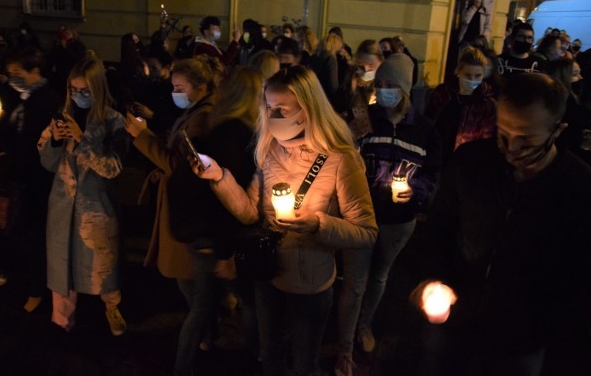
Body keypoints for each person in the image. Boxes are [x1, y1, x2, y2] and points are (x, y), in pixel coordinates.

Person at [193, 66, 378, 376]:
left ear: (308, 109)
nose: (271, 114)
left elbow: (366, 232)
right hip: (269, 276)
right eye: (268, 106)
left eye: (282, 108)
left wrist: (319, 224)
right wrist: (220, 177)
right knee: (271, 356)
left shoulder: (340, 159)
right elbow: (251, 212)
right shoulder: (271, 152)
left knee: (305, 362)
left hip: (312, 286)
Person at [415, 73, 591, 375]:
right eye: (504, 133)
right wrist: (432, 279)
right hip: (453, 325)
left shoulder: (579, 188)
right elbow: (438, 231)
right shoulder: (470, 163)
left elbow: (579, 280)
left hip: (520, 343)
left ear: (557, 130)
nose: (510, 149)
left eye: (526, 140)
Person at [347, 53, 441, 365]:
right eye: (381, 84)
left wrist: (417, 191)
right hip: (362, 215)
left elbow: (432, 173)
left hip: (400, 221)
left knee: (379, 276)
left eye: (391, 85)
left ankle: (364, 324)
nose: (384, 90)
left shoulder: (426, 129)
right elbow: (344, 155)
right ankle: (345, 340)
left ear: (405, 88)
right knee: (356, 280)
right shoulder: (365, 117)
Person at [173, 66, 262, 376]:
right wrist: (225, 254)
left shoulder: (217, 125)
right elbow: (224, 201)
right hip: (220, 239)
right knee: (247, 303)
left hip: (204, 236)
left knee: (206, 305)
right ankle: (256, 359)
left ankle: (195, 358)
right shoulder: (238, 134)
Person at [38, 52, 129, 335]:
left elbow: (113, 167)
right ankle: (62, 322)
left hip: (97, 208)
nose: (78, 95)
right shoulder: (62, 116)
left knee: (103, 266)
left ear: (97, 89)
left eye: (85, 91)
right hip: (63, 204)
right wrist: (54, 140)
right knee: (61, 267)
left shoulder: (114, 121)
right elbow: (47, 163)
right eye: (73, 90)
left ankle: (111, 306)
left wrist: (82, 139)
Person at [123, 58, 216, 307]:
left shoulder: (202, 117)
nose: (174, 93)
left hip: (187, 207)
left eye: (180, 88)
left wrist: (141, 136)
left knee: (190, 280)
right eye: (173, 87)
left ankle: (203, 332)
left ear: (201, 86)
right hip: (182, 203)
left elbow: (176, 164)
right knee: (190, 279)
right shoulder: (195, 111)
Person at [0, 46, 62, 312]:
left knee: (35, 238)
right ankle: (32, 283)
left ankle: (37, 290)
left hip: (38, 182)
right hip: (22, 178)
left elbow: (32, 149)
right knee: (21, 232)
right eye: (9, 74)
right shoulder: (24, 98)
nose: (11, 79)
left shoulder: (47, 102)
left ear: (35, 71)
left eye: (17, 73)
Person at [425, 47, 496, 163]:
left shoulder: (487, 105)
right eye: (468, 75)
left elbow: (487, 142)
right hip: (436, 158)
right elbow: (428, 122)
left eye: (478, 76)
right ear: (458, 71)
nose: (472, 79)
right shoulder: (443, 93)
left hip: (466, 164)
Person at [338, 39, 384, 136]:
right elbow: (339, 105)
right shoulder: (349, 79)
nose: (366, 70)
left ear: (380, 61)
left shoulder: (385, 84)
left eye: (371, 65)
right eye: (361, 65)